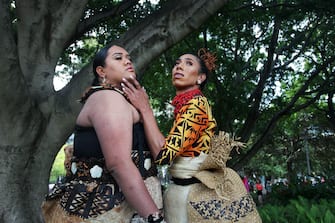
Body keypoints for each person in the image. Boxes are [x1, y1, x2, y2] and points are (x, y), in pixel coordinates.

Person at [122, 49, 261, 223]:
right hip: (182, 191)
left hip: (191, 194)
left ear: (200, 78)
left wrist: (145, 109)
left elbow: (163, 154)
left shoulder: (197, 105)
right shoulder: (187, 105)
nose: (179, 66)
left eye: (188, 63)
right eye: (177, 63)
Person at [41, 44, 165, 223]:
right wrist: (155, 218)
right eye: (118, 58)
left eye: (128, 58)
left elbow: (163, 155)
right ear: (101, 71)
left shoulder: (126, 102)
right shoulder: (107, 98)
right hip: (109, 211)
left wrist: (146, 109)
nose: (127, 61)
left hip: (132, 209)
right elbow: (118, 164)